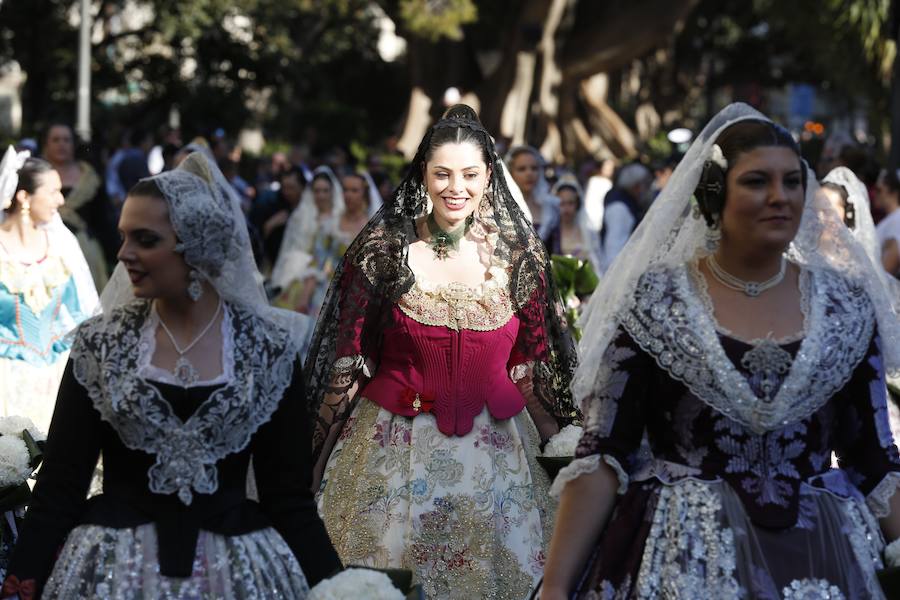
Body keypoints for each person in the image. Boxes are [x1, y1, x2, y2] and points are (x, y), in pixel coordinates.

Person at [541, 103, 900, 599]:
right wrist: (557, 587)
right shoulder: (655, 302)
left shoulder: (847, 308)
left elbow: (875, 463)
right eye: (756, 182)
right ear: (714, 195)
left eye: (793, 182)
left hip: (821, 559)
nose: (780, 197)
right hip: (685, 558)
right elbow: (605, 453)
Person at [0, 152, 340, 598]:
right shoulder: (100, 344)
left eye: (144, 239)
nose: (124, 254)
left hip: (237, 574)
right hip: (114, 573)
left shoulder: (267, 349)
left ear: (195, 245)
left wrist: (344, 587)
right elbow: (59, 489)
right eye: (123, 237)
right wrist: (19, 583)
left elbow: (290, 500)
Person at [308, 105, 578, 599]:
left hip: (499, 463)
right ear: (424, 176)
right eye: (443, 174)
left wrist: (565, 450)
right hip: (391, 452)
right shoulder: (384, 253)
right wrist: (312, 468)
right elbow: (346, 365)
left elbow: (533, 370)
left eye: (470, 174)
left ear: (488, 176)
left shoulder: (519, 260)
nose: (457, 187)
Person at [0, 147, 98, 433]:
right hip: (7, 380)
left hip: (56, 379)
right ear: (24, 198)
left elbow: (84, 312)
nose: (61, 199)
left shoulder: (60, 245)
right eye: (53, 191)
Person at [273, 173, 368, 317]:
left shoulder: (374, 228)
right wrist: (304, 298)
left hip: (356, 296)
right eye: (345, 190)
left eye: (354, 190)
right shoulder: (330, 224)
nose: (348, 195)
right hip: (324, 290)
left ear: (364, 194)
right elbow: (316, 262)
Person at [42, 123, 112, 290]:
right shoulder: (34, 177)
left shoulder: (90, 177)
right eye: (56, 140)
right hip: (44, 253)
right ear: (46, 144)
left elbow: (102, 219)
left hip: (85, 252)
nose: (61, 144)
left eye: (66, 140)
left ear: (74, 144)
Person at [269, 167, 344, 302]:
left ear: (332, 192)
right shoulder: (300, 216)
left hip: (330, 277)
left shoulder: (340, 218)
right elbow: (288, 247)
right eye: (317, 191)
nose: (321, 195)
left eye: (325, 191)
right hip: (297, 272)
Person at [598, 162, 652, 273]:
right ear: (636, 186)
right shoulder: (620, 208)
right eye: (644, 185)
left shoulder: (627, 203)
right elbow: (614, 248)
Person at [543, 177, 601, 274]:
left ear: (577, 204)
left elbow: (598, 262)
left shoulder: (588, 231)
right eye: (562, 203)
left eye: (570, 203)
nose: (566, 209)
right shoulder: (551, 234)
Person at [508, 145, 560, 239]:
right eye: (522, 169)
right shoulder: (502, 208)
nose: (529, 173)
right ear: (510, 173)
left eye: (534, 168)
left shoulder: (550, 208)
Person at [875, 168, 900, 277]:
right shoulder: (891, 218)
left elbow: (888, 268)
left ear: (893, 192)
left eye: (879, 190)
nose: (875, 194)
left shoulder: (897, 220)